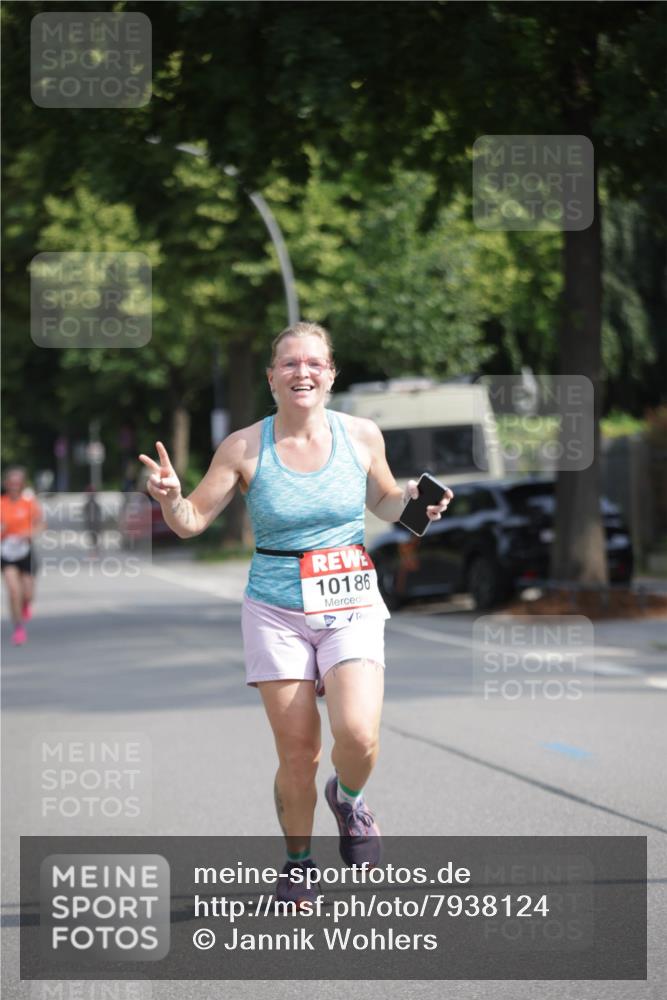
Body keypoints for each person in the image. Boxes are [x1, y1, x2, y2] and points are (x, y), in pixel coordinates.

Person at [139, 322, 453, 907]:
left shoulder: (361, 435)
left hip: (350, 600)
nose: (301, 372)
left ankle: (351, 800)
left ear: (331, 374)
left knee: (357, 732)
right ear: (271, 377)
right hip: (275, 610)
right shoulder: (242, 447)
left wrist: (413, 501)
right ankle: (298, 861)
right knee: (298, 752)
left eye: (313, 363)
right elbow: (191, 522)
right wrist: (168, 499)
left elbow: (383, 502)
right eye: (289, 363)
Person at [1, 466, 45, 645]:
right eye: (11, 483)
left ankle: (25, 603)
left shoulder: (29, 503)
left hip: (25, 551)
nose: (14, 486)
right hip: (6, 551)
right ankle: (18, 628)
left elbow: (41, 524)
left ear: (22, 485)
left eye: (17, 484)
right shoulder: (1, 503)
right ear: (6, 484)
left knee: (27, 593)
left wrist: (30, 532)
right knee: (13, 591)